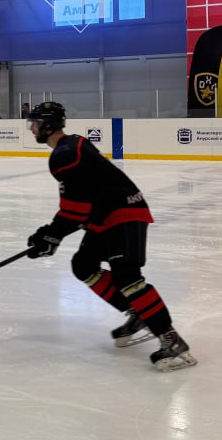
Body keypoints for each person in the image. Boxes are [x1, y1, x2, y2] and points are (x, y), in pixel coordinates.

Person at [25, 101, 196, 372]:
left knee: (127, 277)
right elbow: (84, 200)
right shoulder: (72, 145)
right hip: (107, 215)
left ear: (46, 125)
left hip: (123, 213)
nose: (31, 128)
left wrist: (50, 235)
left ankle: (170, 338)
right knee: (83, 265)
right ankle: (138, 313)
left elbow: (76, 209)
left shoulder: (64, 155)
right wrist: (51, 236)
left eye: (34, 123)